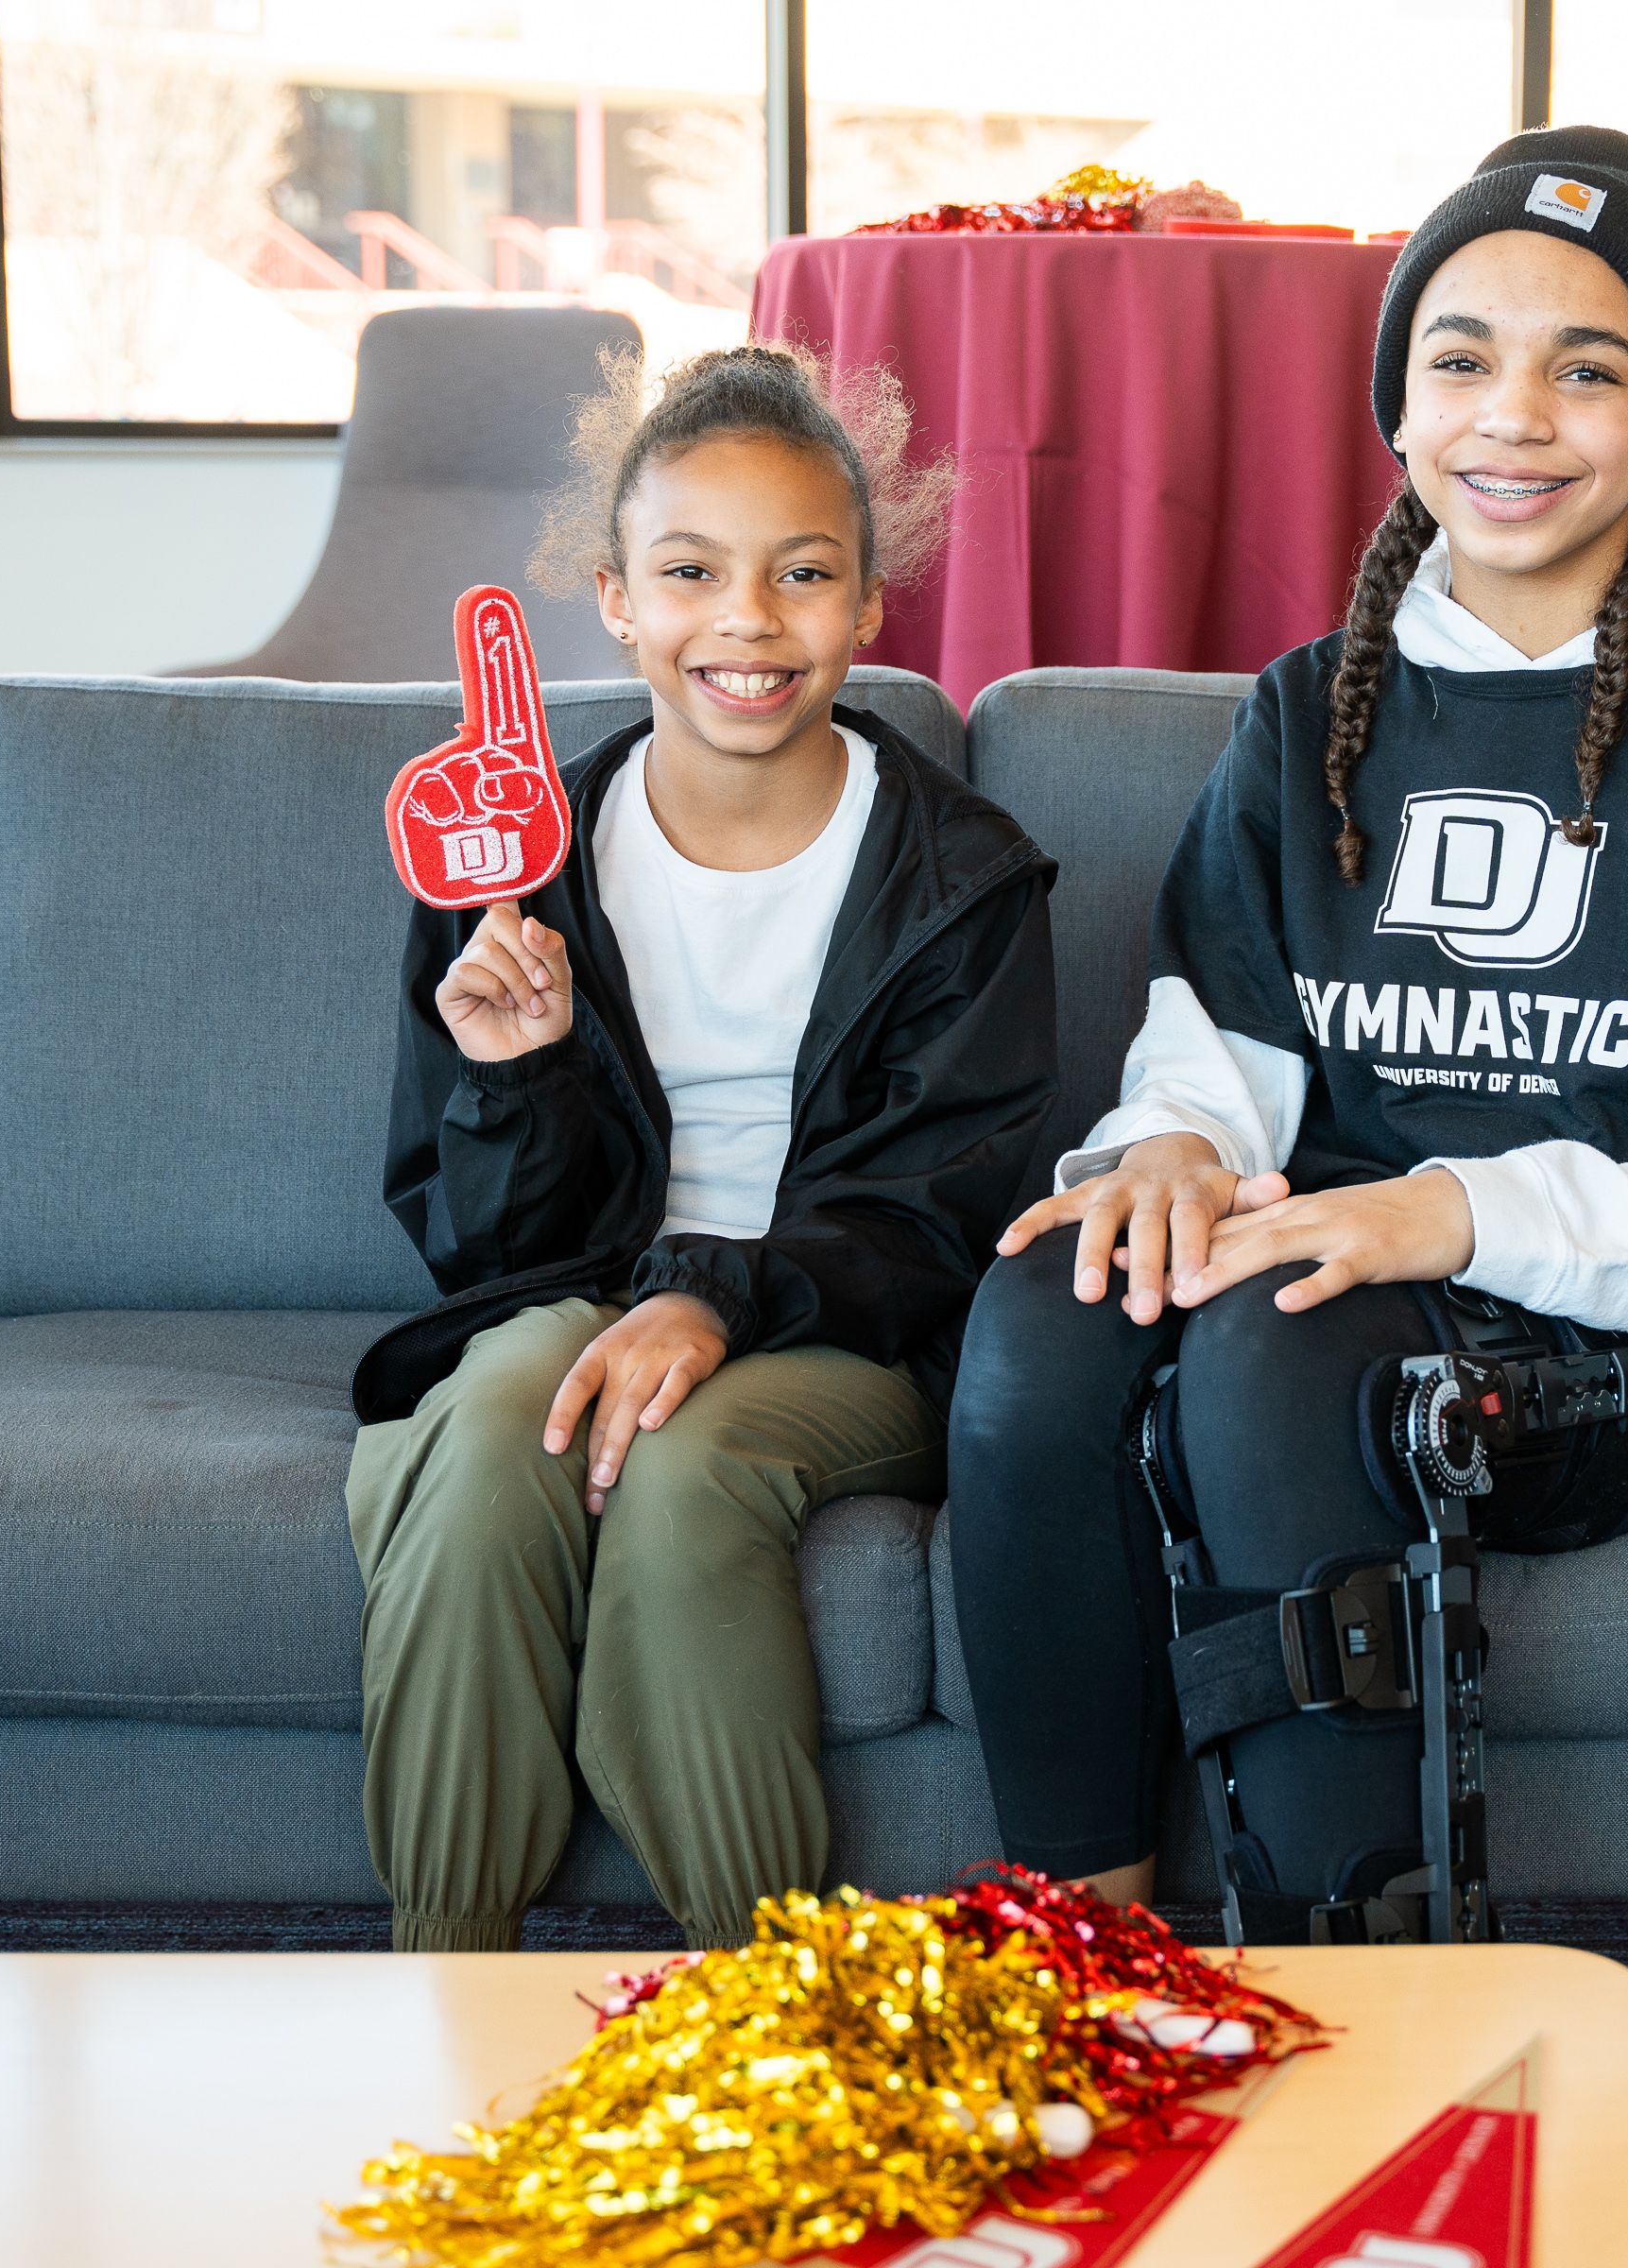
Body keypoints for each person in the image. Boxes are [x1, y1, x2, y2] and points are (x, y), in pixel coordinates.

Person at [946, 127, 1628, 1930]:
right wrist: (1170, 1149)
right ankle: (1079, 1962)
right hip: (1349, 1258)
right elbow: (1218, 1041)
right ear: (1399, 407)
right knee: (1051, 1304)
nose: (1515, 416)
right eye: (1462, 359)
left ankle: (1363, 1990)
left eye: (1589, 367)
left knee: (1282, 1354)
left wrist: (1459, 1212)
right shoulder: (1318, 703)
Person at [345, 344, 1055, 1951]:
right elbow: (482, 1252)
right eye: (691, 573)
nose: (748, 619)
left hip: (841, 1325)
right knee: (491, 1435)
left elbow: (933, 1216)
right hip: (584, 1291)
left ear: (868, 606)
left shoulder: (966, 877)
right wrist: (513, 1077)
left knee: (679, 1469)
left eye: (802, 574)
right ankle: (444, 1970)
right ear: (616, 597)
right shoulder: (514, 859)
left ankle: (770, 1991)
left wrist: (719, 1298)